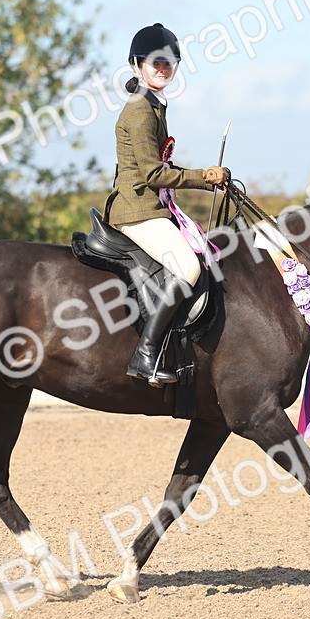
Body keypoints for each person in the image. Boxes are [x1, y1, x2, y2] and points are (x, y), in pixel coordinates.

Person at [105, 23, 229, 386]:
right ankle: (144, 354)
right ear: (137, 65)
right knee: (188, 268)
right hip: (136, 209)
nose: (163, 68)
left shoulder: (154, 106)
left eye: (169, 62)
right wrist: (204, 178)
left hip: (150, 207)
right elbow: (152, 174)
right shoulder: (140, 111)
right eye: (155, 62)